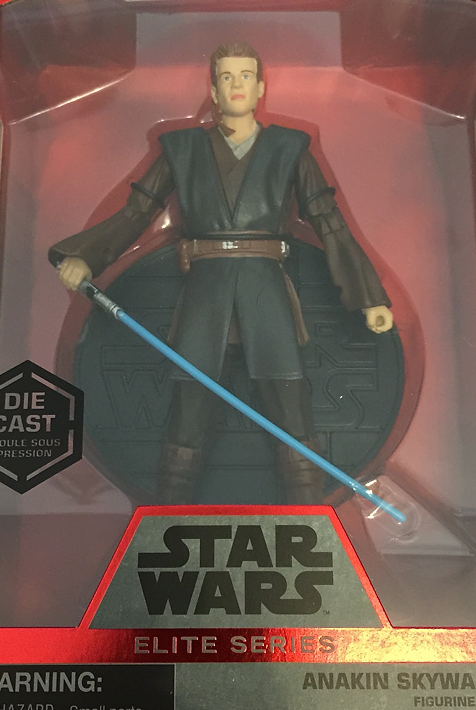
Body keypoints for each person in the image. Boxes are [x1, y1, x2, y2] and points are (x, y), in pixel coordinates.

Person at [50, 42, 392, 504]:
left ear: (261, 87)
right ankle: (169, 514)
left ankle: (309, 513)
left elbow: (328, 221)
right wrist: (86, 257)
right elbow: (137, 212)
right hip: (205, 291)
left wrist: (369, 296)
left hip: (264, 287)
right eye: (227, 77)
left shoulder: (289, 148)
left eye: (246, 76)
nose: (237, 85)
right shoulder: (182, 149)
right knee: (188, 408)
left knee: (290, 403)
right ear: (213, 89)